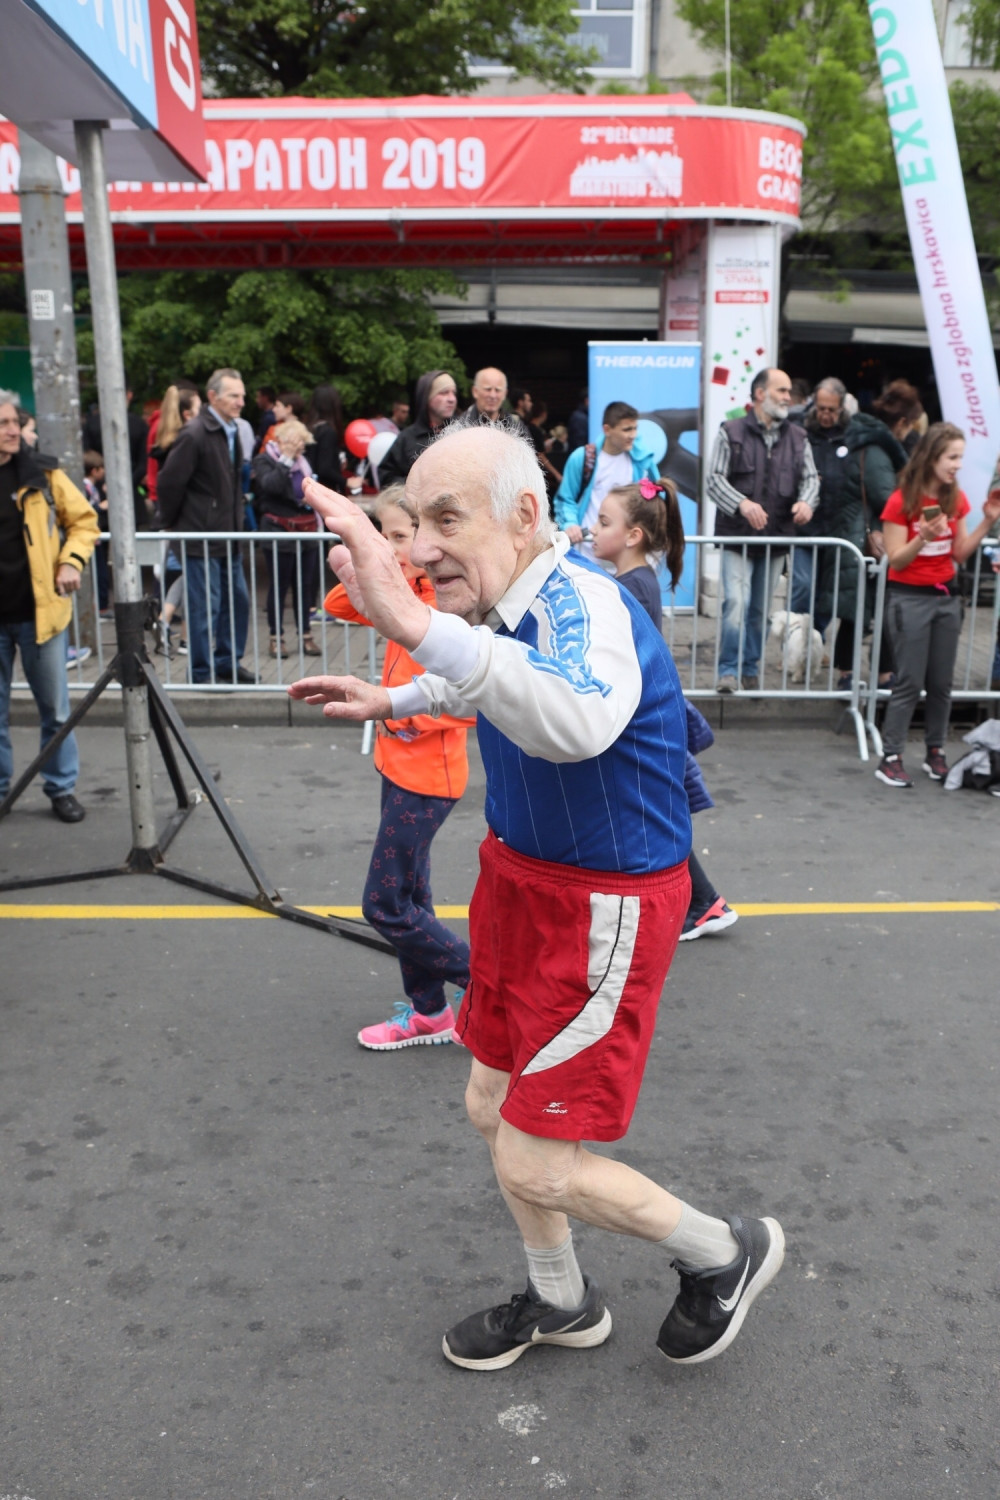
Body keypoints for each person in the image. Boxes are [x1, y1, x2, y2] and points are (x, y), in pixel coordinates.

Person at [290, 423, 784, 1373]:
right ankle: (562, 1301)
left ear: (523, 518)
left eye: (445, 518)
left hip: (606, 906)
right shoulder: (512, 599)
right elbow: (487, 673)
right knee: (489, 1101)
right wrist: (391, 698)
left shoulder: (584, 603)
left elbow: (572, 721)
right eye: (415, 519)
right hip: (521, 882)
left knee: (532, 1159)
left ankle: (725, 1253)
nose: (422, 546)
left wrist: (408, 620)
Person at [324, 484, 475, 1048]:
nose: (388, 545)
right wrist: (361, 559)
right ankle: (430, 1013)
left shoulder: (437, 602)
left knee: (384, 905)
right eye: (382, 533)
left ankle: (488, 986)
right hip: (398, 770)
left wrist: (414, 717)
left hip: (429, 778)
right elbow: (339, 606)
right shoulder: (403, 588)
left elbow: (473, 698)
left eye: (398, 535)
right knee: (413, 900)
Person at [592, 476, 739, 943]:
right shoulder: (635, 580)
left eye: (603, 521)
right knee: (646, 818)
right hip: (639, 721)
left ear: (633, 535)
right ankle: (696, 902)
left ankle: (701, 902)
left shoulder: (631, 587)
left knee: (652, 821)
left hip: (636, 724)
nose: (592, 529)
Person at [875, 422, 1000, 788]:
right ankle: (891, 756)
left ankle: (935, 752)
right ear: (931, 457)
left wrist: (987, 522)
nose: (957, 465)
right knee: (909, 682)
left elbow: (960, 553)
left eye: (960, 457)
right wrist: (922, 538)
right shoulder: (901, 500)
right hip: (909, 599)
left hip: (946, 597)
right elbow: (896, 560)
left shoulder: (954, 498)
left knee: (942, 683)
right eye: (952, 457)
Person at [0, 390, 100, 823]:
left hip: (41, 614)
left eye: (13, 422)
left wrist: (70, 561)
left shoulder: (42, 472)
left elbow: (84, 522)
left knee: (56, 711)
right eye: (2, 423)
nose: (12, 430)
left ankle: (61, 789)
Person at [707, 368, 819, 693]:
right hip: (737, 537)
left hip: (775, 538)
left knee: (759, 610)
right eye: (782, 391)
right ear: (760, 394)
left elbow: (811, 478)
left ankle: (750, 668)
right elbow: (714, 479)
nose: (788, 398)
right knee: (735, 604)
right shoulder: (731, 430)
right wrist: (742, 503)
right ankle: (728, 670)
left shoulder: (799, 438)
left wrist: (807, 502)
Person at [821, 379, 922, 691]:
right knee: (869, 612)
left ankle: (857, 675)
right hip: (865, 540)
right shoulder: (879, 450)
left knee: (862, 612)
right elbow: (887, 498)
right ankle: (866, 676)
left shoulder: (868, 442)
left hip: (855, 537)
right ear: (902, 422)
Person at [157, 367, 255, 685]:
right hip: (201, 535)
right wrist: (174, 525)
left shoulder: (230, 429)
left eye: (242, 395)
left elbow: (231, 485)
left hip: (227, 534)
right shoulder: (195, 432)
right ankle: (201, 672)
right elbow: (169, 482)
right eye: (234, 396)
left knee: (236, 601)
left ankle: (226, 663)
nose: (241, 401)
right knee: (204, 607)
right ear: (212, 397)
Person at [553, 400, 660, 560]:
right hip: (588, 551)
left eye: (635, 428)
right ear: (607, 429)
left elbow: (657, 498)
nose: (633, 435)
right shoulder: (583, 457)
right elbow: (565, 498)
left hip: (628, 554)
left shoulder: (641, 459)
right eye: (627, 429)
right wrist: (570, 524)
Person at [252, 418, 323, 659]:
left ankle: (306, 635)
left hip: (306, 529)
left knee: (304, 586)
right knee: (279, 586)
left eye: (302, 444)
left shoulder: (303, 462)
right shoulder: (264, 460)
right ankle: (276, 637)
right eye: (296, 443)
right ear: (281, 441)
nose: (300, 449)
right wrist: (286, 459)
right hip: (278, 529)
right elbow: (270, 486)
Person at [790, 378, 851, 631]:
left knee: (827, 591)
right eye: (821, 408)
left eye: (831, 410)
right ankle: (793, 643)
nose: (825, 415)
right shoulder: (799, 429)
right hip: (805, 525)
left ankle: (816, 643)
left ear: (842, 408)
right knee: (802, 585)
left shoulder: (851, 433)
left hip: (836, 524)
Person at [82, 382, 150, 530]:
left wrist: (105, 483)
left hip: (100, 495)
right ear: (129, 395)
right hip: (132, 499)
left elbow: (87, 459)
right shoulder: (139, 424)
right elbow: (143, 465)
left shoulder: (91, 423)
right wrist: (127, 485)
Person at [378, 371, 458, 486]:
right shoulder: (408, 438)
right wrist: (414, 487)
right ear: (427, 398)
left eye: (453, 393)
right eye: (444, 393)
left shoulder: (461, 434)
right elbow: (386, 476)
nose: (452, 399)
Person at [455, 367, 525, 432]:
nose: (492, 395)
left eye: (497, 390)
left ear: (505, 394)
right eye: (488, 389)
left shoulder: (516, 425)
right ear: (475, 391)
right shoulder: (460, 426)